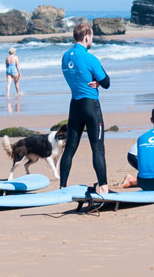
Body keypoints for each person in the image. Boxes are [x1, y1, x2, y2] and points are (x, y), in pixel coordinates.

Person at [60, 23, 112, 194]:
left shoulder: (65, 57)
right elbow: (107, 83)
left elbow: (75, 77)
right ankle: (103, 187)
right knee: (97, 148)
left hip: (74, 106)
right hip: (91, 106)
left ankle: (62, 186)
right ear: (87, 36)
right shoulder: (90, 58)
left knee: (70, 148)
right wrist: (97, 81)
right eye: (91, 36)